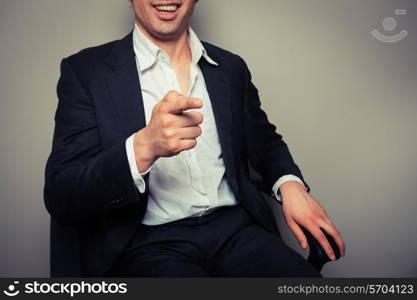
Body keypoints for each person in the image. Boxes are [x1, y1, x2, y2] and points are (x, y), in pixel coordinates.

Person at [44, 0, 345, 277]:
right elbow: (62, 192)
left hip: (236, 231)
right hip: (148, 244)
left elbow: (264, 141)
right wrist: (143, 147)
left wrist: (290, 185)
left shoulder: (231, 68)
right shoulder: (86, 72)